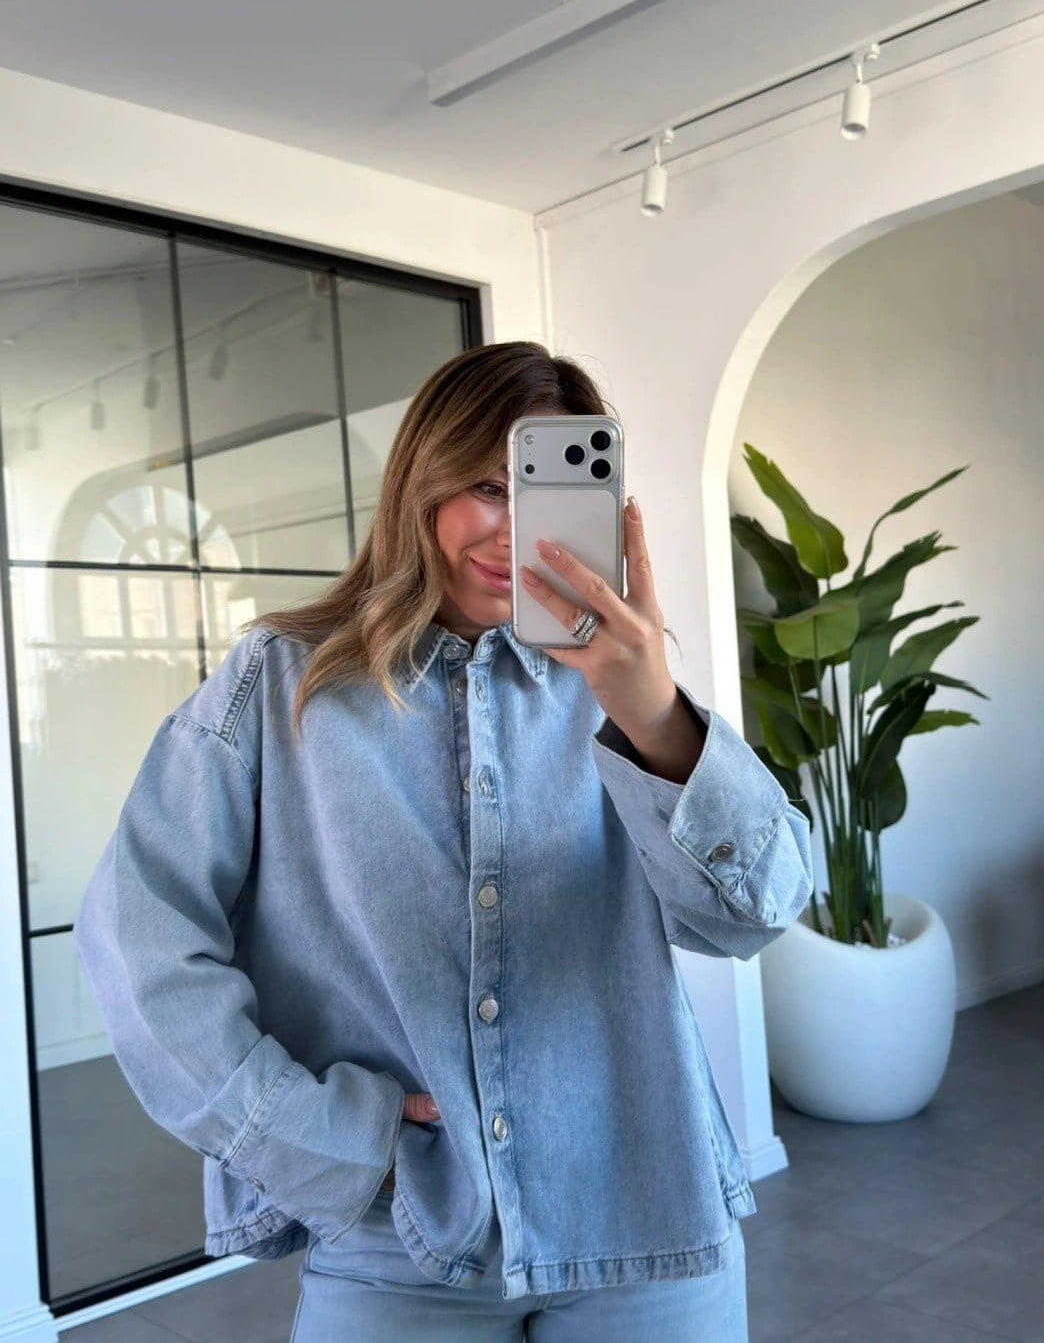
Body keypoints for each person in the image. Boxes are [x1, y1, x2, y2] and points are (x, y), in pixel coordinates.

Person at [73, 340, 814, 1341]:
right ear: (419, 485)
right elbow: (138, 943)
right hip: (400, 1239)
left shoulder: (622, 690)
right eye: (485, 487)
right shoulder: (279, 686)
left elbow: (756, 914)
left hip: (646, 1214)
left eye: (544, 494)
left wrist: (652, 714)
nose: (513, 531)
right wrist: (312, 1131)